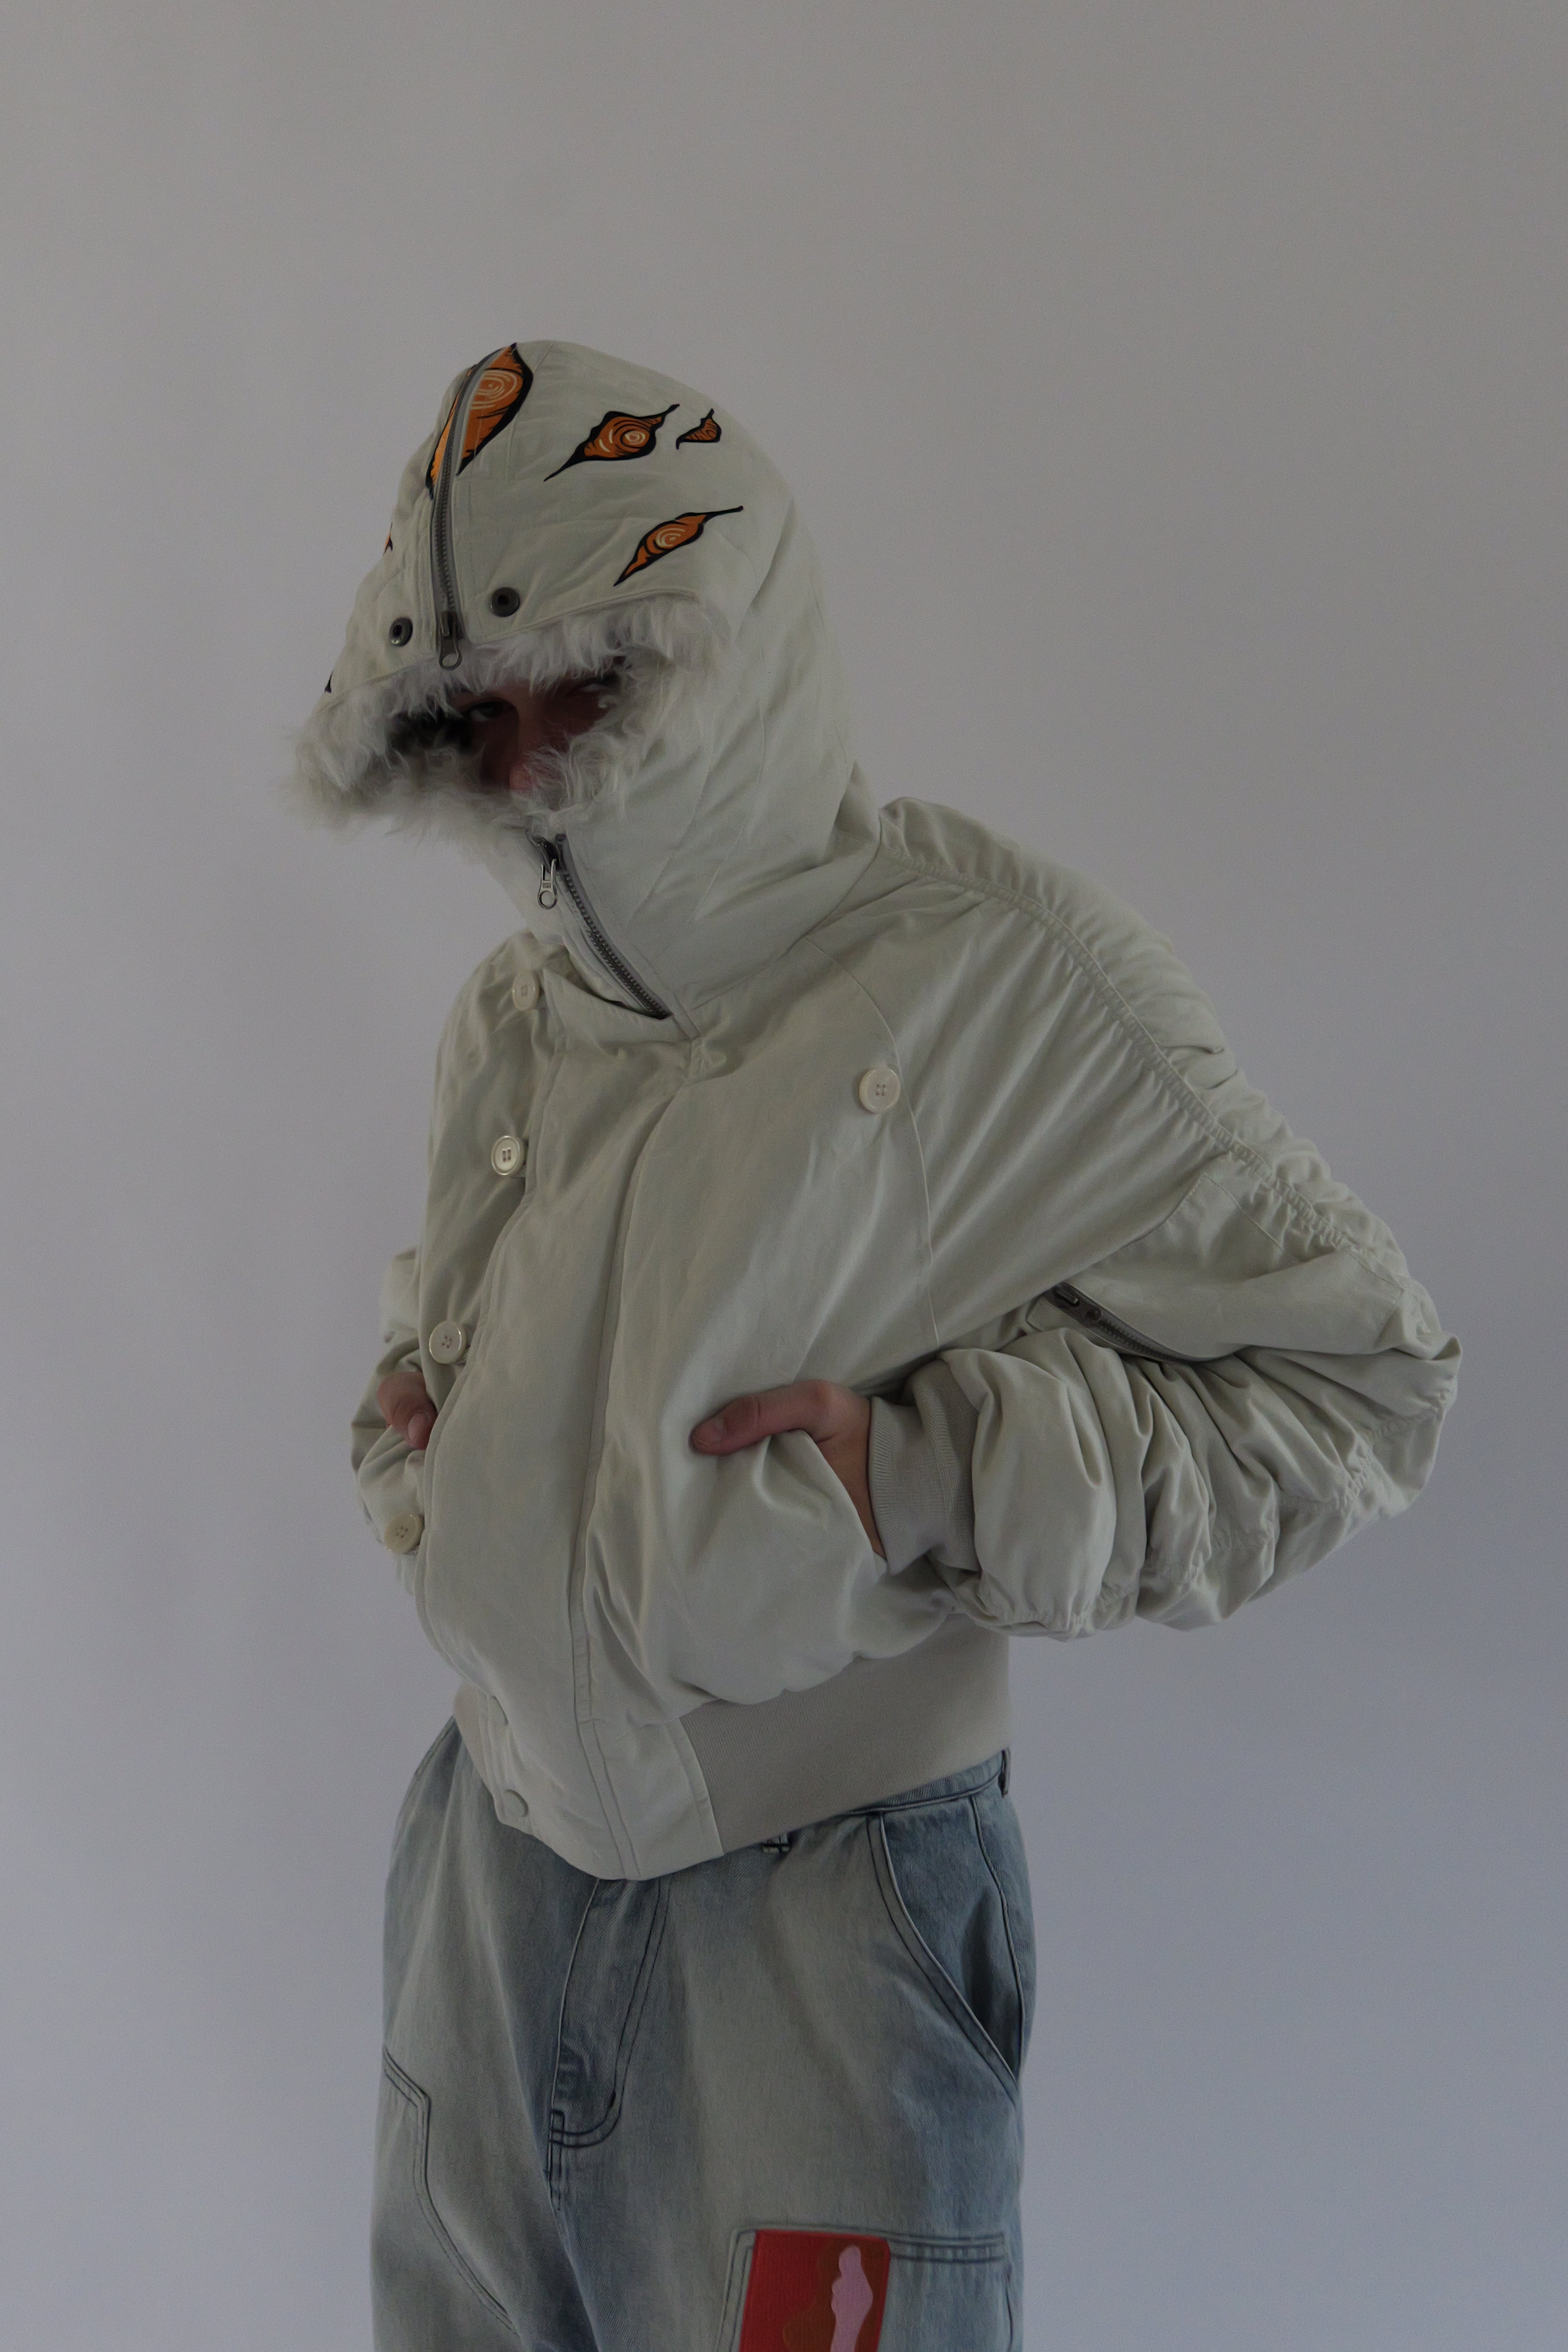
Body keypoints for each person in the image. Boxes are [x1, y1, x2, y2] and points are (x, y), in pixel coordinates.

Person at [292, 341, 1458, 2352]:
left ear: (721, 649)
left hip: (820, 1916)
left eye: (590, 687)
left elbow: (1360, 1382)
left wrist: (928, 1473)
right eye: (481, 715)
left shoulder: (996, 981)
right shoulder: (516, 1013)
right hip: (484, 1873)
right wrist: (422, 1444)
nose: (531, 767)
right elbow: (459, 1327)